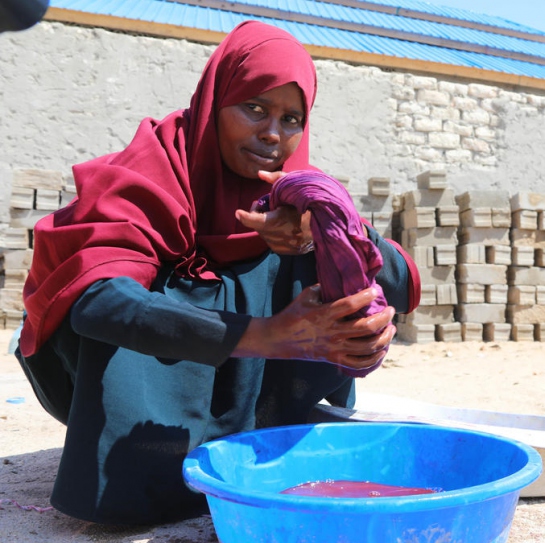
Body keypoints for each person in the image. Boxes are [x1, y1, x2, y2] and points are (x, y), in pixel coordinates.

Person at [14, 20, 420, 525]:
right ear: (216, 99)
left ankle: (267, 446)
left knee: (303, 258)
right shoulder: (151, 173)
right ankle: (150, 474)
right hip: (138, 397)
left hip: (249, 382)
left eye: (292, 118)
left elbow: (401, 283)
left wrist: (331, 227)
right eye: (254, 108)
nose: (273, 133)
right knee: (137, 290)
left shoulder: (293, 196)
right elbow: (100, 303)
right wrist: (268, 334)